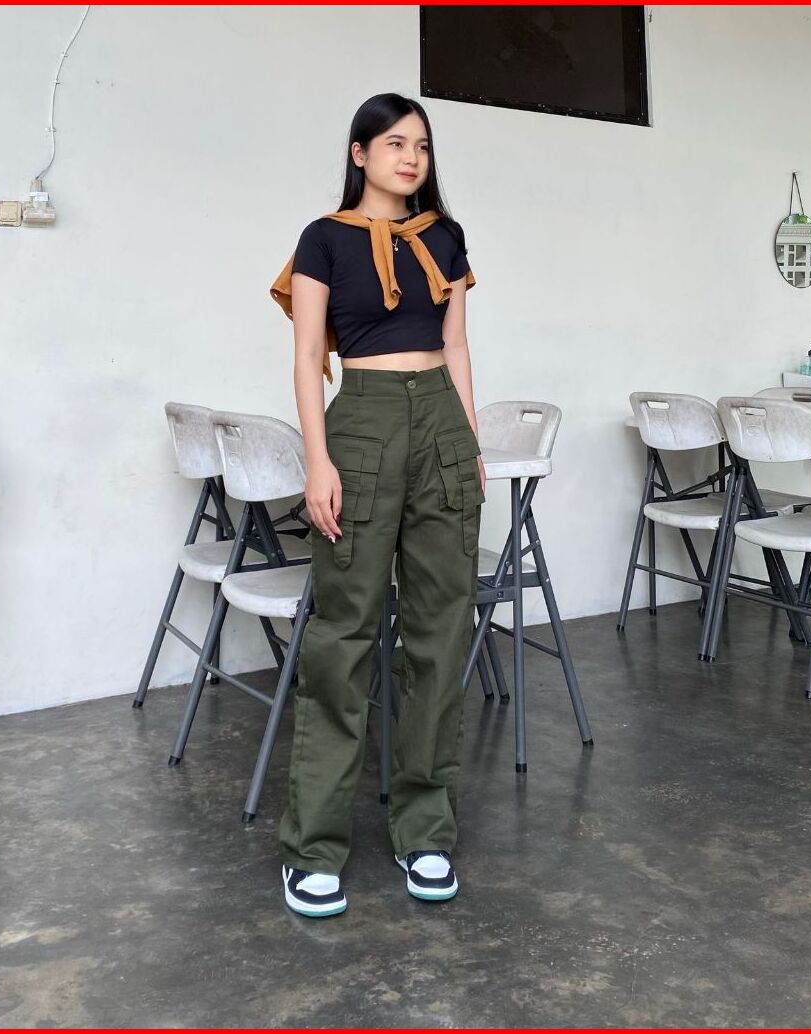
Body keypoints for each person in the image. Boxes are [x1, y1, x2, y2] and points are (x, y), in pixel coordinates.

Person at [269, 93, 484, 918]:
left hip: (440, 422)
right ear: (359, 153)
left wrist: (468, 441)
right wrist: (318, 459)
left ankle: (424, 831)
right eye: (394, 143)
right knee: (344, 635)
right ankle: (314, 846)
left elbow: (457, 345)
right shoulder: (322, 238)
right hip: (359, 420)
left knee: (441, 629)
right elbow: (305, 357)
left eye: (421, 145)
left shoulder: (446, 237)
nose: (411, 157)